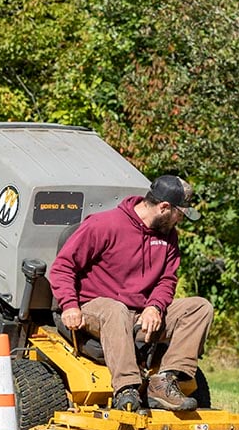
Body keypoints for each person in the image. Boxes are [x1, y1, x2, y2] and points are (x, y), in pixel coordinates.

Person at [48, 174, 213, 411]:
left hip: (140, 312)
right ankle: (126, 389)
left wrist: (154, 306)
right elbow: (64, 266)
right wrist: (69, 305)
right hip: (96, 307)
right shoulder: (104, 225)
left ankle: (165, 381)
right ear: (164, 207)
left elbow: (167, 279)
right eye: (180, 213)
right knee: (117, 310)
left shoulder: (168, 237)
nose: (180, 220)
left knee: (199, 307)